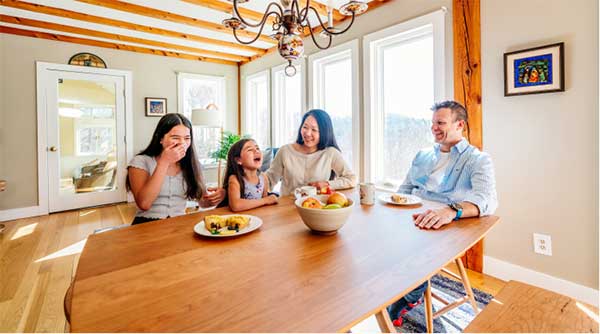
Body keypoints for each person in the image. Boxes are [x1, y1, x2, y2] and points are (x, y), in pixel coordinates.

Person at [388, 100, 498, 326]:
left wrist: (451, 211)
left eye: (440, 122)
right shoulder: (423, 155)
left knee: (413, 252)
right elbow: (405, 190)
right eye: (433, 123)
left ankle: (406, 296)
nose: (434, 128)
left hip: (445, 224)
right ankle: (383, 293)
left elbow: (488, 200)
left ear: (460, 125)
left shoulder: (477, 159)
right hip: (411, 218)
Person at [127, 113, 225, 225]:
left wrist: (218, 197)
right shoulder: (140, 161)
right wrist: (164, 162)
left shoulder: (192, 164)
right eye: (175, 138)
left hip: (178, 224)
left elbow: (202, 202)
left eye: (187, 138)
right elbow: (144, 204)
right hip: (146, 224)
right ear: (160, 138)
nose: (182, 143)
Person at [265, 109, 357, 196]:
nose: (308, 133)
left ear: (324, 133)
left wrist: (327, 184)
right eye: (305, 127)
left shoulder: (330, 153)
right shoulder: (285, 151)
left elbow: (351, 179)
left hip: (316, 207)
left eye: (314, 130)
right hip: (287, 208)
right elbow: (268, 181)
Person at [223, 138, 279, 212]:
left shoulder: (263, 177)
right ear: (238, 160)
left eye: (257, 148)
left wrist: (266, 201)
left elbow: (265, 206)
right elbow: (236, 205)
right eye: (249, 150)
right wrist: (266, 200)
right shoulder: (234, 179)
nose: (256, 151)